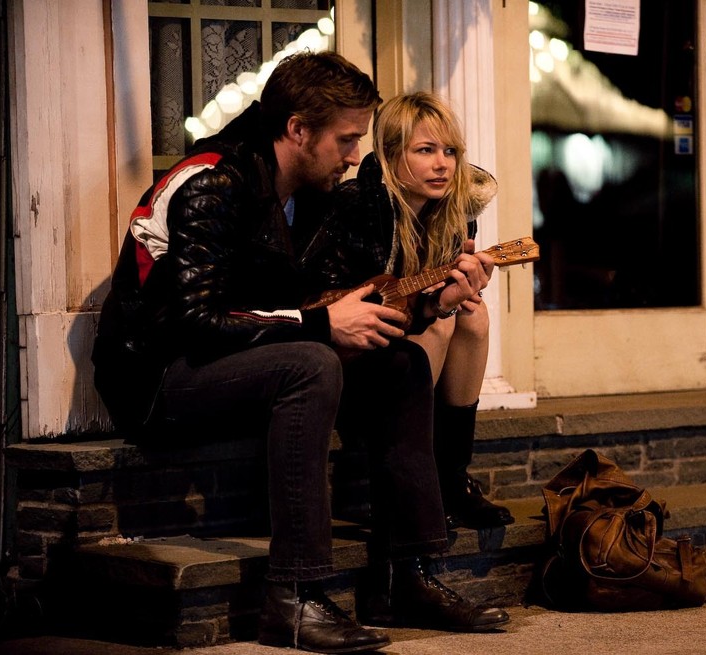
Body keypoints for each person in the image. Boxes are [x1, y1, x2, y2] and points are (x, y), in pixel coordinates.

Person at [91, 51, 508, 655]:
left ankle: (409, 574)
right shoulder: (212, 182)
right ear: (297, 130)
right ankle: (293, 594)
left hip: (242, 361)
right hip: (159, 376)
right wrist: (317, 323)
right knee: (310, 362)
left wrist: (426, 306)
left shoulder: (309, 192)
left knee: (399, 359)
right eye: (345, 140)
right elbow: (193, 320)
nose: (354, 156)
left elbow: (327, 302)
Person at [300, 91, 514, 531]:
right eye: (425, 150)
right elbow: (352, 305)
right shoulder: (359, 205)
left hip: (405, 344)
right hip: (353, 359)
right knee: (436, 329)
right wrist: (432, 307)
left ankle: (452, 477)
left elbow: (436, 303)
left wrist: (451, 295)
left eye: (450, 151)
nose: (443, 164)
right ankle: (409, 479)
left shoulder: (453, 214)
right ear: (392, 155)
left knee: (473, 315)